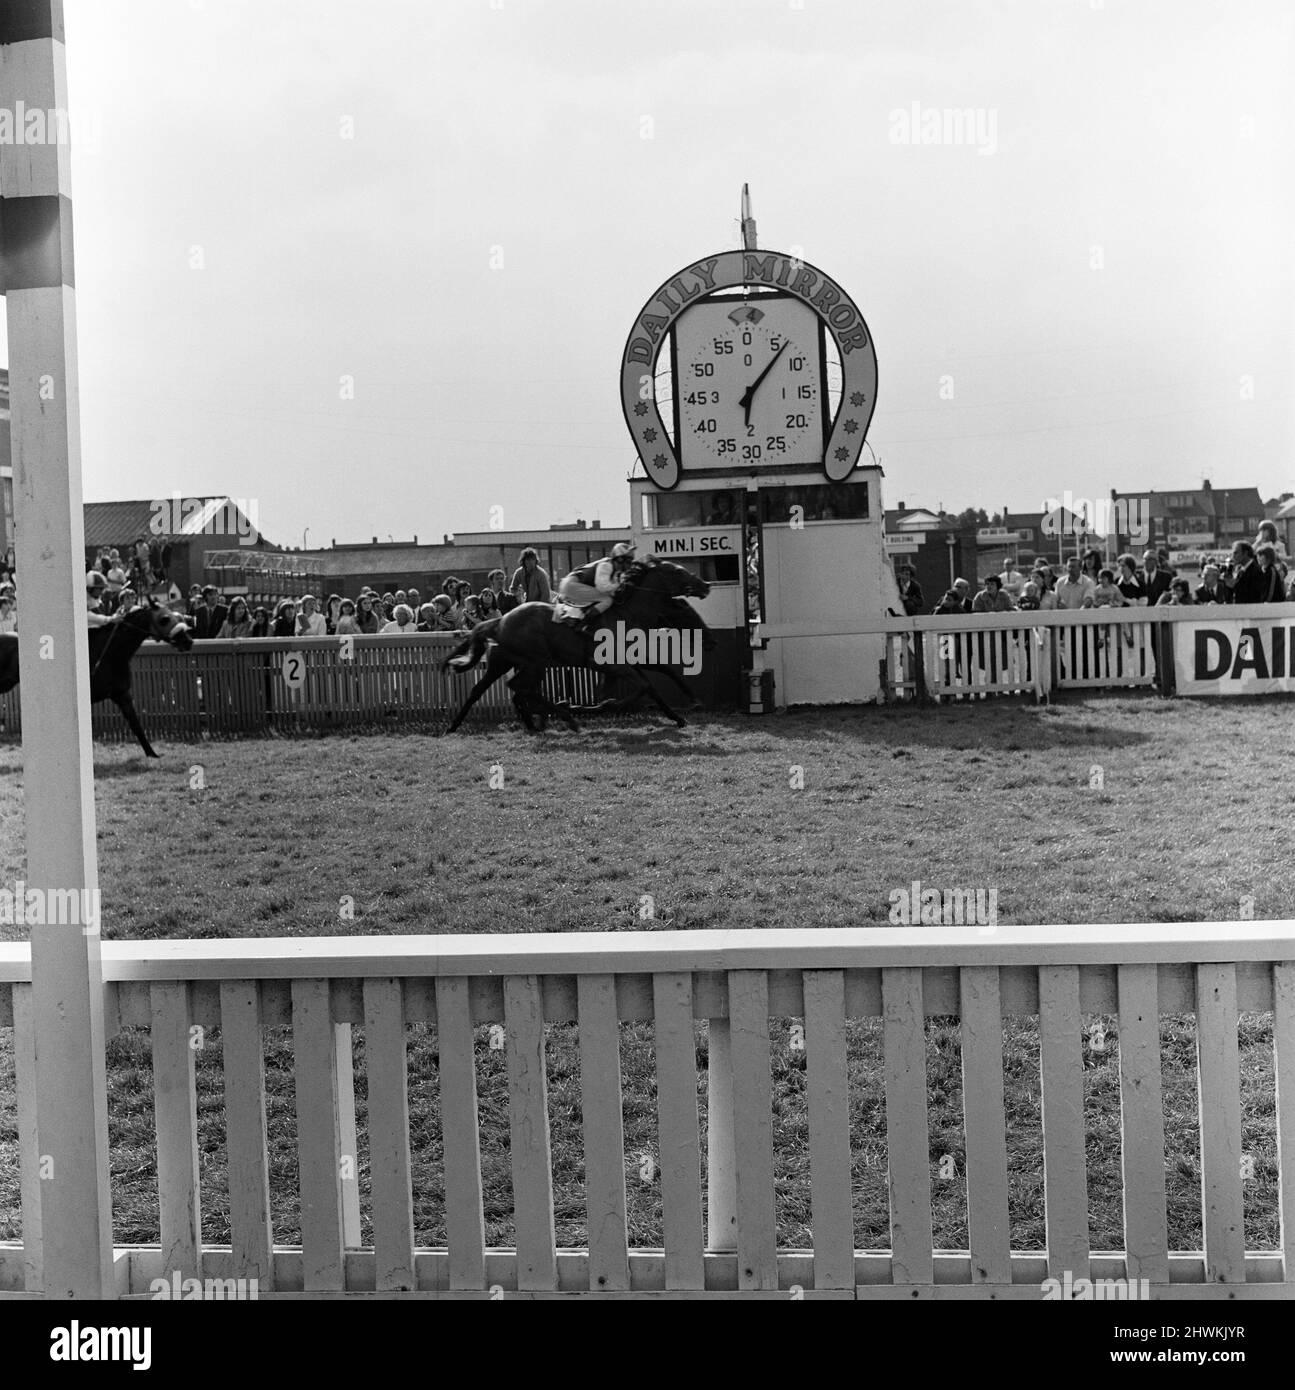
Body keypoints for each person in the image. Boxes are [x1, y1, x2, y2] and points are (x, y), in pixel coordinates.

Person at [555, 541, 637, 628]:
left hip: (573, 584)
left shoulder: (614, 571)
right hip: (571, 585)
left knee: (607, 598)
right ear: (620, 560)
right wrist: (619, 585)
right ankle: (584, 623)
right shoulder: (606, 566)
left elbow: (611, 590)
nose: (629, 566)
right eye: (628, 562)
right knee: (607, 600)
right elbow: (602, 588)